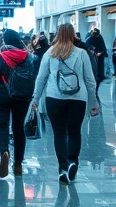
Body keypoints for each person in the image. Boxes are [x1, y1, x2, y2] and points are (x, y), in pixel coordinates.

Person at [32, 24, 99, 185]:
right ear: (72, 35)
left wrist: (35, 99)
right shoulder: (82, 53)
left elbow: (41, 78)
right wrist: (93, 103)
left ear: (57, 35)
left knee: (59, 133)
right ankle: (73, 162)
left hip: (54, 98)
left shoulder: (50, 52)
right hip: (78, 98)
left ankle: (63, 168)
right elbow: (90, 80)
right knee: (75, 132)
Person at [0, 29, 34, 178]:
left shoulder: (1, 56)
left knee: (1, 127)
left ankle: (4, 152)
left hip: (1, 96)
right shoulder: (29, 57)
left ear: (5, 41)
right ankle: (18, 164)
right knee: (18, 129)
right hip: (22, 97)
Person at [86, 28, 108, 98]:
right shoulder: (90, 39)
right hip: (93, 56)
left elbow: (103, 47)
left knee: (99, 69)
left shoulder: (100, 38)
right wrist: (93, 49)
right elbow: (87, 45)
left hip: (99, 56)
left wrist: (102, 52)